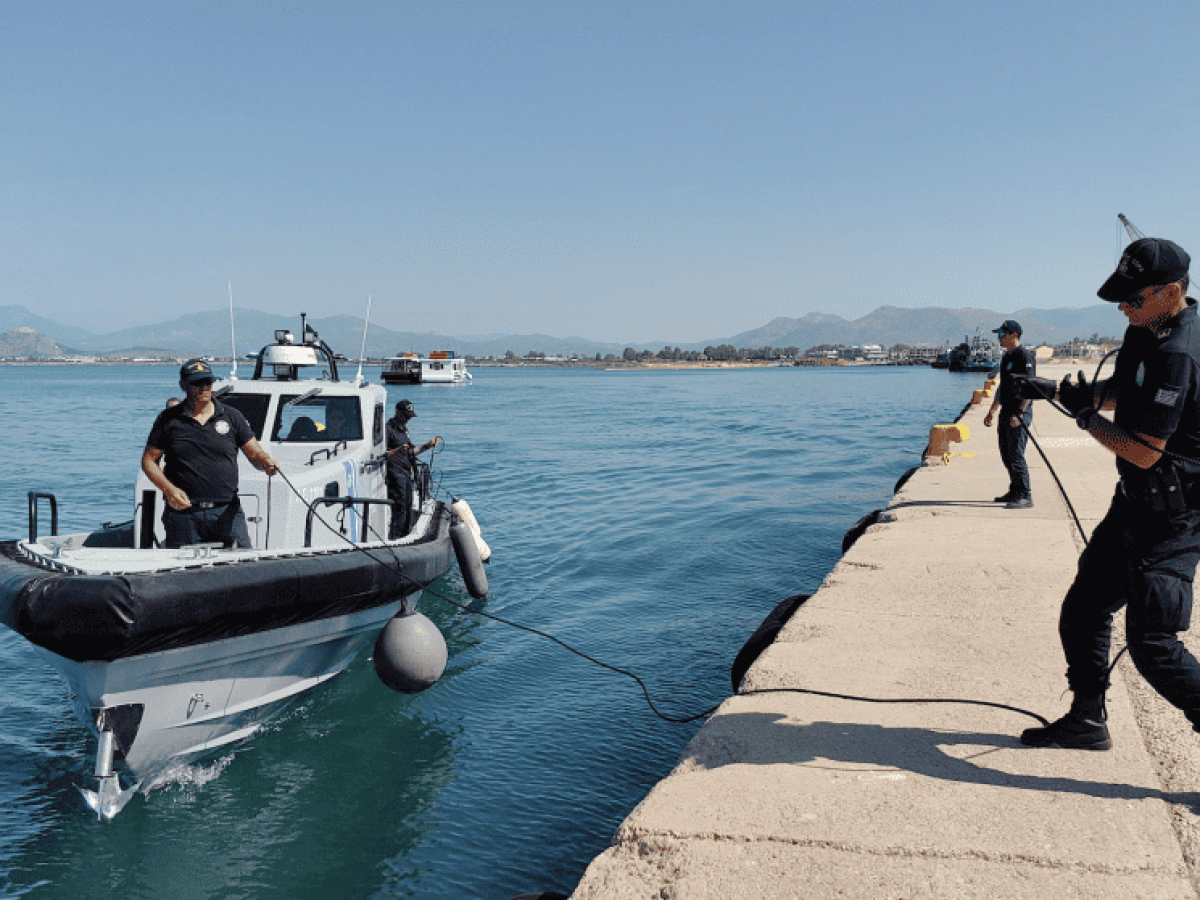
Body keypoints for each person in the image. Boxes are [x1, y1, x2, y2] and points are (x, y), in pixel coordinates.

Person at [1021, 237, 1200, 751]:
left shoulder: (1179, 353)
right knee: (1083, 610)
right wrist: (1055, 391)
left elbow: (1145, 450)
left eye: (1133, 299)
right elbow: (1124, 390)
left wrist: (1084, 417)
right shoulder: (1147, 327)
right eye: (1120, 299)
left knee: (1154, 645)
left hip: (1176, 516)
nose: (1124, 307)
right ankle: (1086, 720)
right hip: (1134, 503)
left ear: (1171, 292)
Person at [142, 358, 280, 549]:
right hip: (184, 517)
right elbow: (149, 461)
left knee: (241, 567)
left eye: (208, 382)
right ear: (183, 386)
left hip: (227, 513)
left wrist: (266, 462)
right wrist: (169, 490)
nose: (204, 387)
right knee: (183, 575)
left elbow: (255, 453)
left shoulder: (232, 416)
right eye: (197, 383)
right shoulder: (168, 419)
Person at [983, 320, 1037, 509]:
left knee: (1016, 453)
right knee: (1005, 453)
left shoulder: (1025, 356)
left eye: (1002, 335)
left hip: (1019, 412)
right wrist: (992, 410)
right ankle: (1014, 490)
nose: (999, 339)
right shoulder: (1006, 357)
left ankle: (1025, 494)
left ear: (1014, 335)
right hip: (1006, 411)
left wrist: (1021, 412)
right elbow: (1002, 386)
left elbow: (1030, 387)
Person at [386, 400, 441, 538]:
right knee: (400, 505)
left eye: (410, 416)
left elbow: (411, 451)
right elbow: (380, 453)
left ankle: (406, 534)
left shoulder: (404, 430)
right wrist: (396, 451)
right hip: (394, 472)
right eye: (406, 416)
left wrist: (428, 445)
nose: (408, 419)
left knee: (409, 503)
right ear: (398, 413)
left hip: (406, 472)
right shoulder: (388, 429)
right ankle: (396, 537)